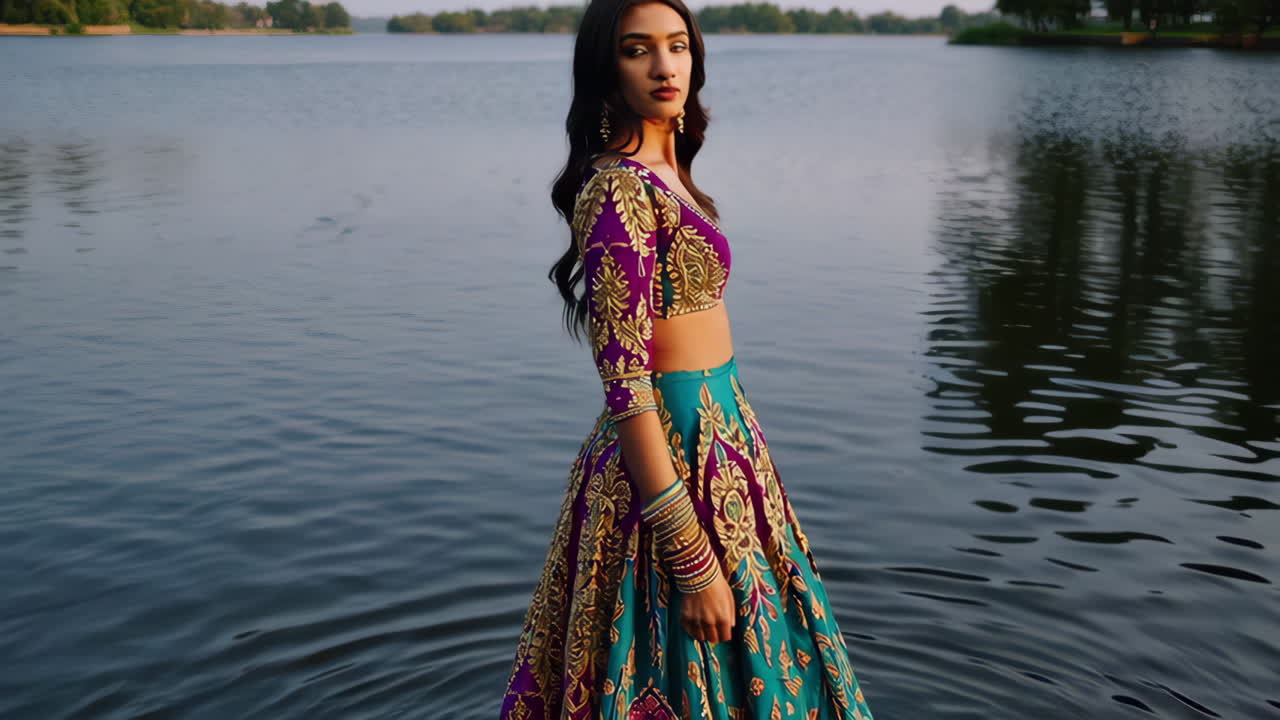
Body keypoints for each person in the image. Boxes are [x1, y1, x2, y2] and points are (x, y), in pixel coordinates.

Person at [499, 0, 876, 717]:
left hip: (722, 438)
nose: (665, 65)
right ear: (607, 67)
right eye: (638, 49)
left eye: (677, 46)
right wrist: (687, 547)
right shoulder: (617, 190)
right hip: (664, 460)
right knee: (670, 654)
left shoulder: (669, 177)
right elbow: (625, 382)